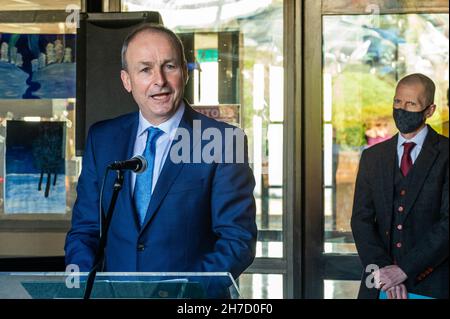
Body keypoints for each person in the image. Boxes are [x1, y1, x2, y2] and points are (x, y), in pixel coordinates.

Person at [64, 23, 257, 294]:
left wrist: (184, 290)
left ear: (185, 72)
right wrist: (83, 286)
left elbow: (238, 241)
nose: (160, 81)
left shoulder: (224, 141)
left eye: (170, 66)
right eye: (145, 69)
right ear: (126, 80)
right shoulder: (103, 138)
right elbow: (85, 230)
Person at [351, 73, 448, 299]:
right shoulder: (372, 157)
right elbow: (361, 219)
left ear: (430, 110)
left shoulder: (446, 154)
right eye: (397, 101)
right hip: (378, 283)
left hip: (432, 284)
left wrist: (404, 270)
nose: (402, 109)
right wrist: (385, 272)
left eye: (411, 103)